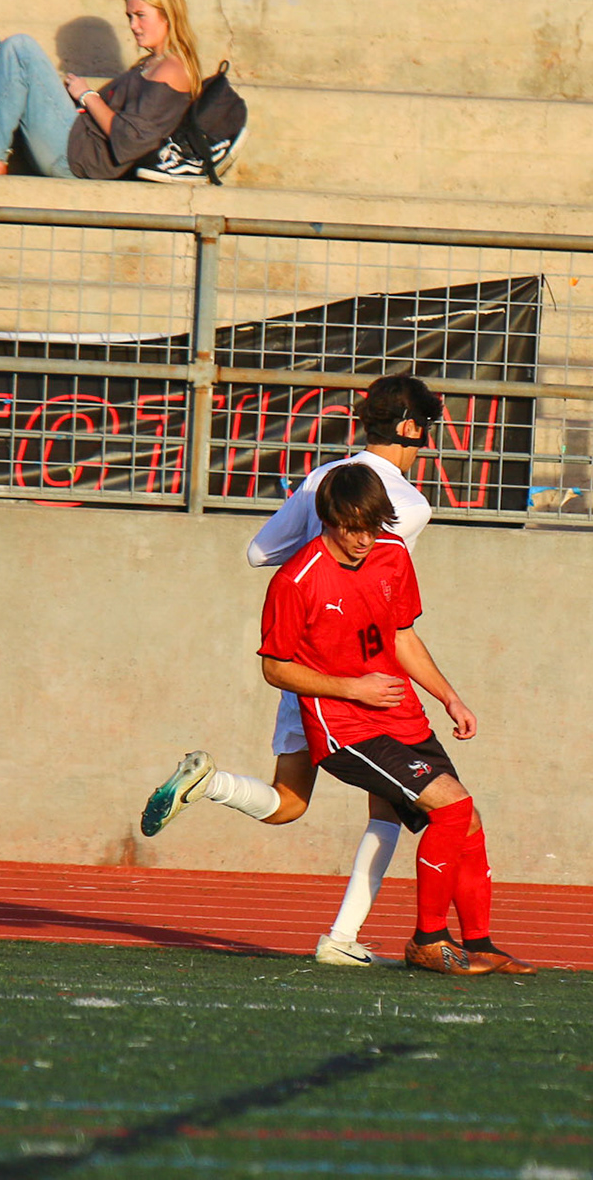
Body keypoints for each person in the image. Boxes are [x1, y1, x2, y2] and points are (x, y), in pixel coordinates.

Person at [141, 376, 444, 969]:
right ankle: (342, 937)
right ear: (410, 427)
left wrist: (308, 550)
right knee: (392, 806)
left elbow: (260, 552)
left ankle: (212, 784)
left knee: (289, 801)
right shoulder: (409, 505)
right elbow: (377, 579)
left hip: (302, 667)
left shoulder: (321, 479)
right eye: (426, 427)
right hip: (357, 674)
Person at [262, 463, 532, 976]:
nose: (364, 539)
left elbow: (402, 637)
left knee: (467, 821)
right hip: (344, 729)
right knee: (452, 807)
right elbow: (275, 668)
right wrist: (352, 687)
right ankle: (428, 941)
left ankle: (480, 945)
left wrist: (450, 698)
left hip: (400, 715)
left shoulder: (392, 555)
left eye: (372, 526)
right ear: (328, 519)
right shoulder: (296, 579)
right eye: (352, 528)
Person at [0, 0, 196, 180]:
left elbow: (131, 140)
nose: (133, 25)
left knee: (20, 49)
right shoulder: (152, 63)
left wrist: (87, 95)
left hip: (78, 158)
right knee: (5, 53)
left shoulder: (171, 70)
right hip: (76, 144)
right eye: (130, 17)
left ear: (167, 15)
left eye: (140, 16)